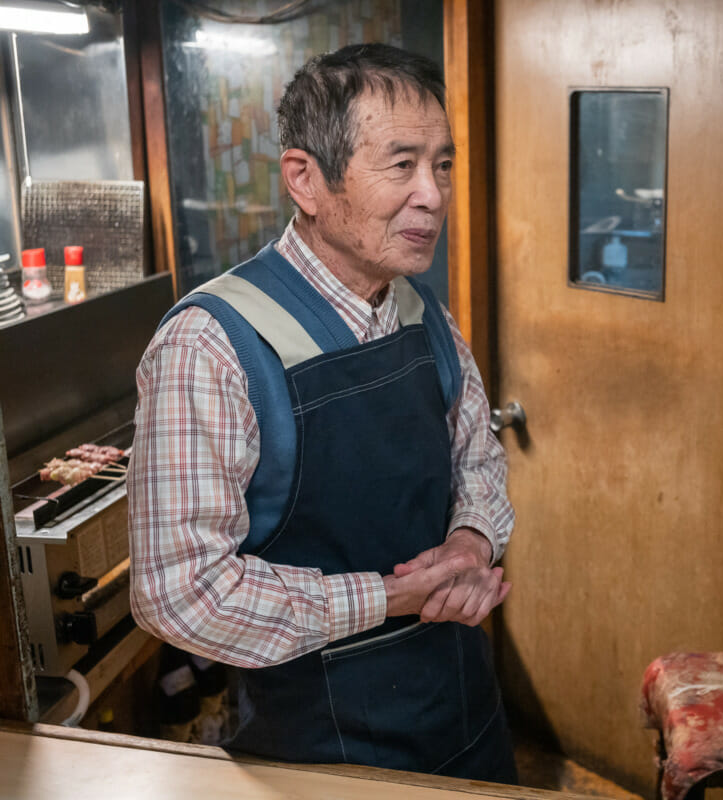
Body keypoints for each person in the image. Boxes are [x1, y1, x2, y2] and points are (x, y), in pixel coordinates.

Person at [128, 44, 517, 783]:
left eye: (442, 165)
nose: (433, 195)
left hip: (466, 722)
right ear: (305, 179)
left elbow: (478, 459)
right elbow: (180, 593)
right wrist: (387, 597)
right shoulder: (212, 345)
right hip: (316, 753)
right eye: (401, 165)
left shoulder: (421, 312)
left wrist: (471, 542)